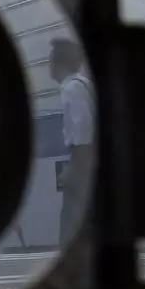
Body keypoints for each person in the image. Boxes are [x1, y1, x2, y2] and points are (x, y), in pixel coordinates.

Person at [48, 37, 96, 247]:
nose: (48, 66)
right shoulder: (83, 85)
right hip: (86, 157)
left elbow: (82, 129)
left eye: (51, 61)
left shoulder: (73, 88)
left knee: (71, 217)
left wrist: (76, 167)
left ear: (60, 64)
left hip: (83, 157)